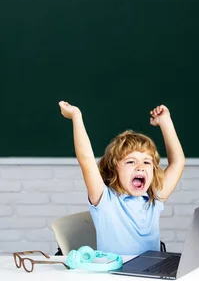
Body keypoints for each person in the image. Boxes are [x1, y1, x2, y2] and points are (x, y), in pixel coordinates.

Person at [58, 101, 186, 255]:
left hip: (151, 275)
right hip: (117, 275)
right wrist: (76, 116)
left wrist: (165, 122)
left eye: (146, 162)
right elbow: (86, 160)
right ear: (114, 169)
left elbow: (178, 162)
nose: (140, 166)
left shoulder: (153, 199)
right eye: (131, 161)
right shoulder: (105, 200)